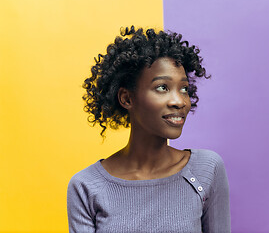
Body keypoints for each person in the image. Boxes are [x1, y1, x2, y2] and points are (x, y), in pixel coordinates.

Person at [67, 26, 231, 233]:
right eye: (162, 87)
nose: (179, 101)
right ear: (126, 98)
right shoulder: (87, 186)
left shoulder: (205, 169)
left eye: (184, 89)